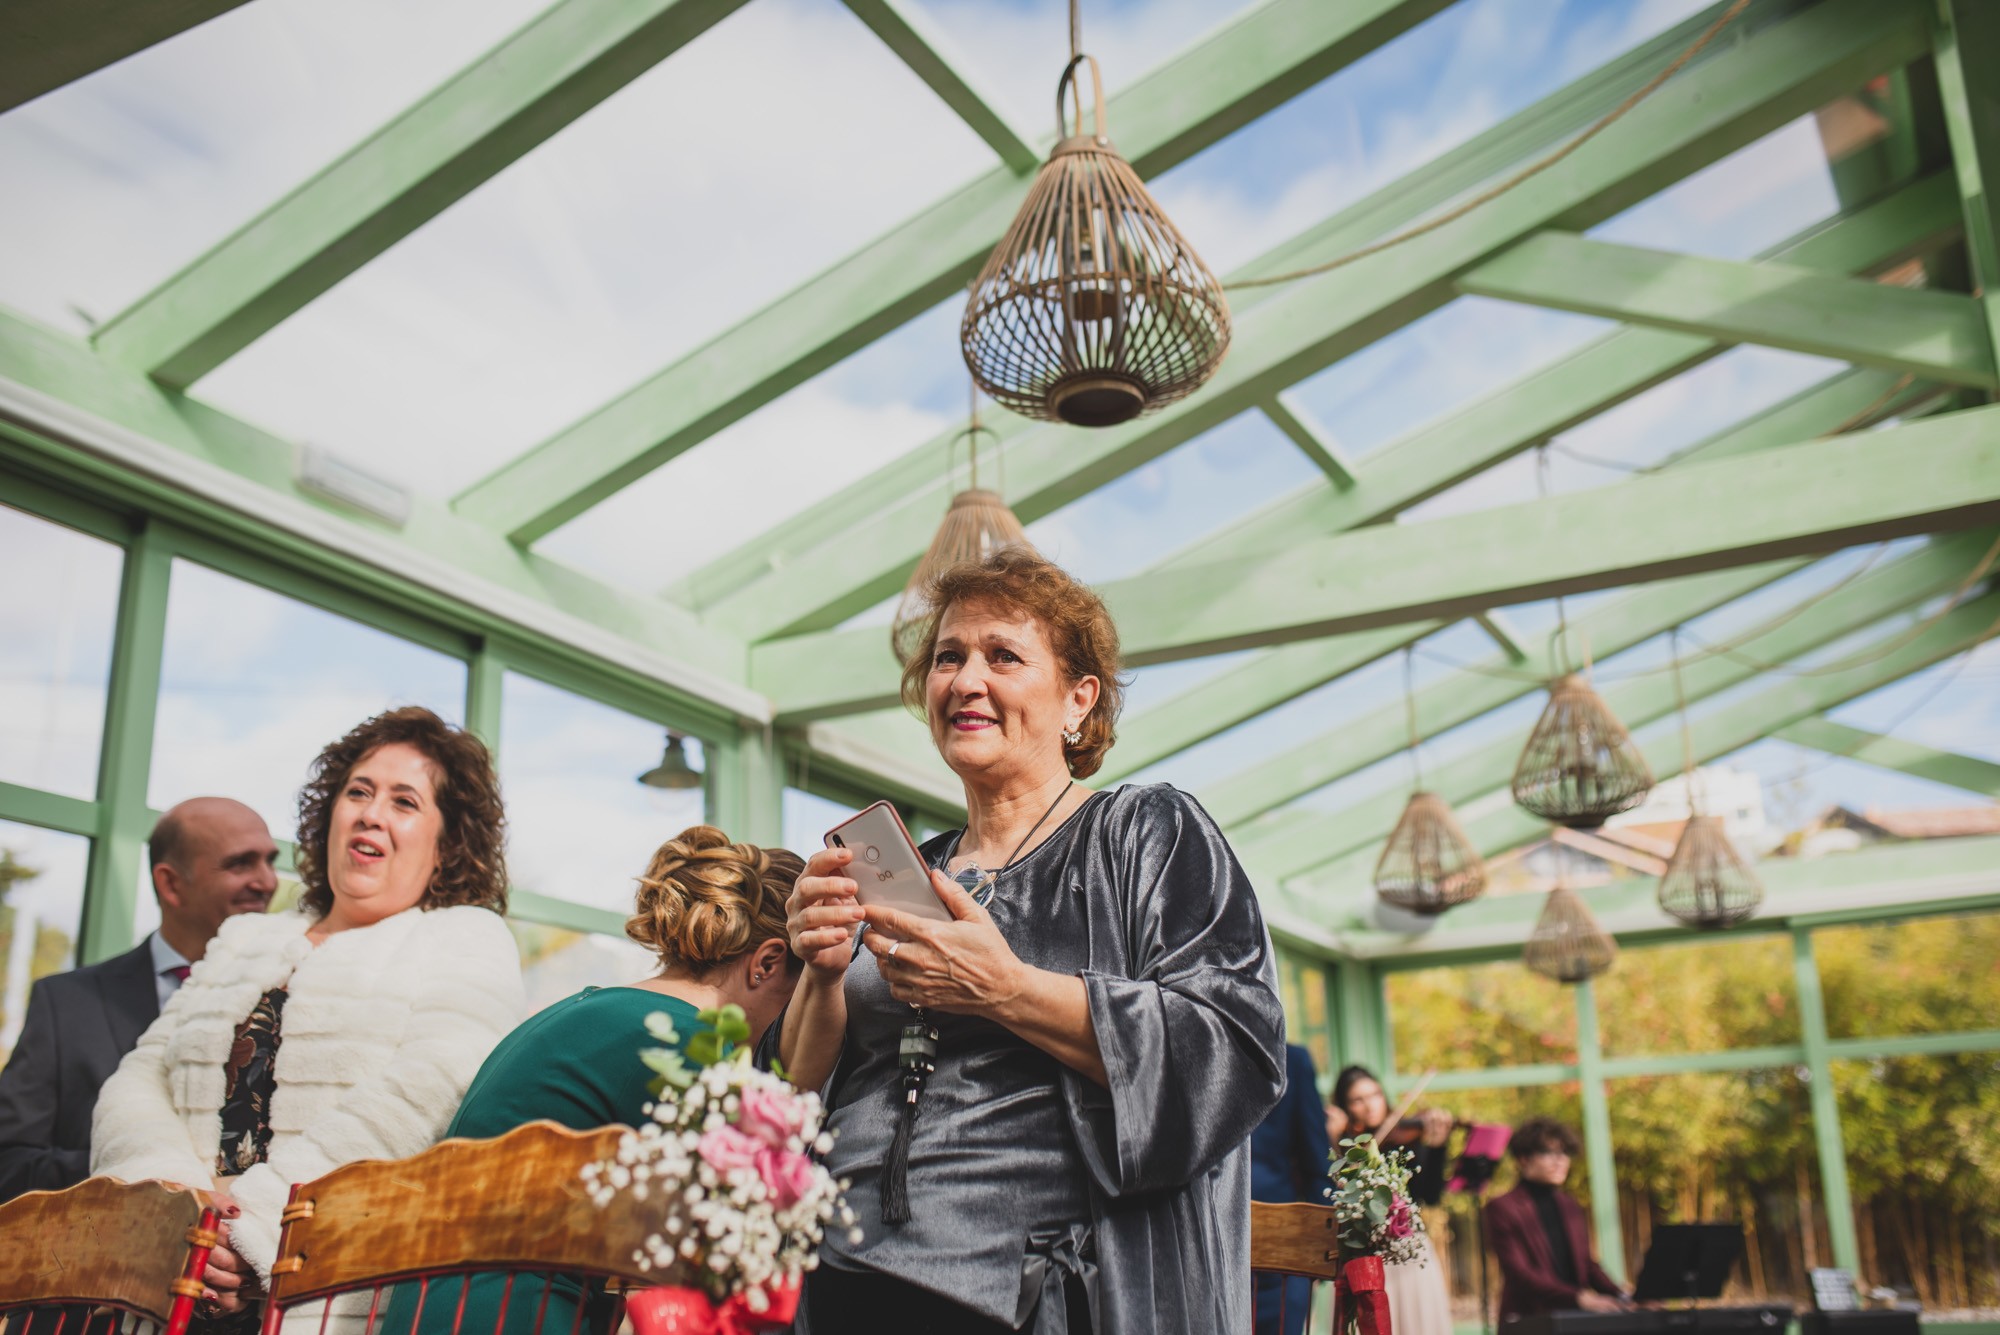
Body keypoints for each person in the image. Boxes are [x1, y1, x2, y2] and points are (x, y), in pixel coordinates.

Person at [774, 549, 1287, 1335]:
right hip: (840, 1278)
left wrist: (1006, 988)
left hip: (1034, 1294)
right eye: (948, 656)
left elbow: (1234, 1045)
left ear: (1079, 699)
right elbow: (794, 1091)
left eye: (1003, 656)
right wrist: (820, 971)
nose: (965, 680)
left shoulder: (1144, 830)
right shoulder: (913, 866)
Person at [90, 706, 526, 1320]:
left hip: (323, 1300)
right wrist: (172, 1208)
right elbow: (140, 1077)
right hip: (173, 1288)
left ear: (448, 844)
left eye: (404, 802)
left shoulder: (465, 936)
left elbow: (431, 1088)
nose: (370, 813)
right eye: (358, 792)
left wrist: (261, 1225)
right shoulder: (245, 938)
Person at [388, 823, 807, 1335]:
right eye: (796, 1002)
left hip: (428, 1309)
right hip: (515, 1314)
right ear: (767, 963)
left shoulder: (588, 1008)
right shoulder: (686, 1042)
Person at [0, 797, 279, 1202]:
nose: (268, 881)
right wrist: (143, 1175)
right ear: (171, 884)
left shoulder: (292, 995)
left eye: (270, 861)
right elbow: (9, 1163)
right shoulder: (66, 1003)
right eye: (241, 864)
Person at [1332, 1066, 1454, 1335]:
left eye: (1375, 1094)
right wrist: (1333, 1138)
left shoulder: (1407, 1139)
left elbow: (1430, 1196)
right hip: (1366, 1259)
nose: (1370, 1105)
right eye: (1357, 1100)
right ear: (1345, 1107)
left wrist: (1437, 1148)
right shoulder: (1344, 1146)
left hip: (1409, 1251)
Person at [1486, 1118, 1631, 1322]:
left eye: (1565, 1153)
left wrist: (1624, 1296)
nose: (1560, 1161)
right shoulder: (1503, 1207)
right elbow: (1519, 1274)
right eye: (1549, 1153)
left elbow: (1587, 1264)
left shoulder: (1570, 1205)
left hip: (1575, 1317)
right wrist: (1578, 1298)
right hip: (1530, 1318)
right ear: (1523, 1159)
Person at [1251, 1044, 1334, 1335]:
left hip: (1280, 1258)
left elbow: (1317, 1161)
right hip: (1201, 1251)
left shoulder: (1292, 1060)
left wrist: (1316, 1247)